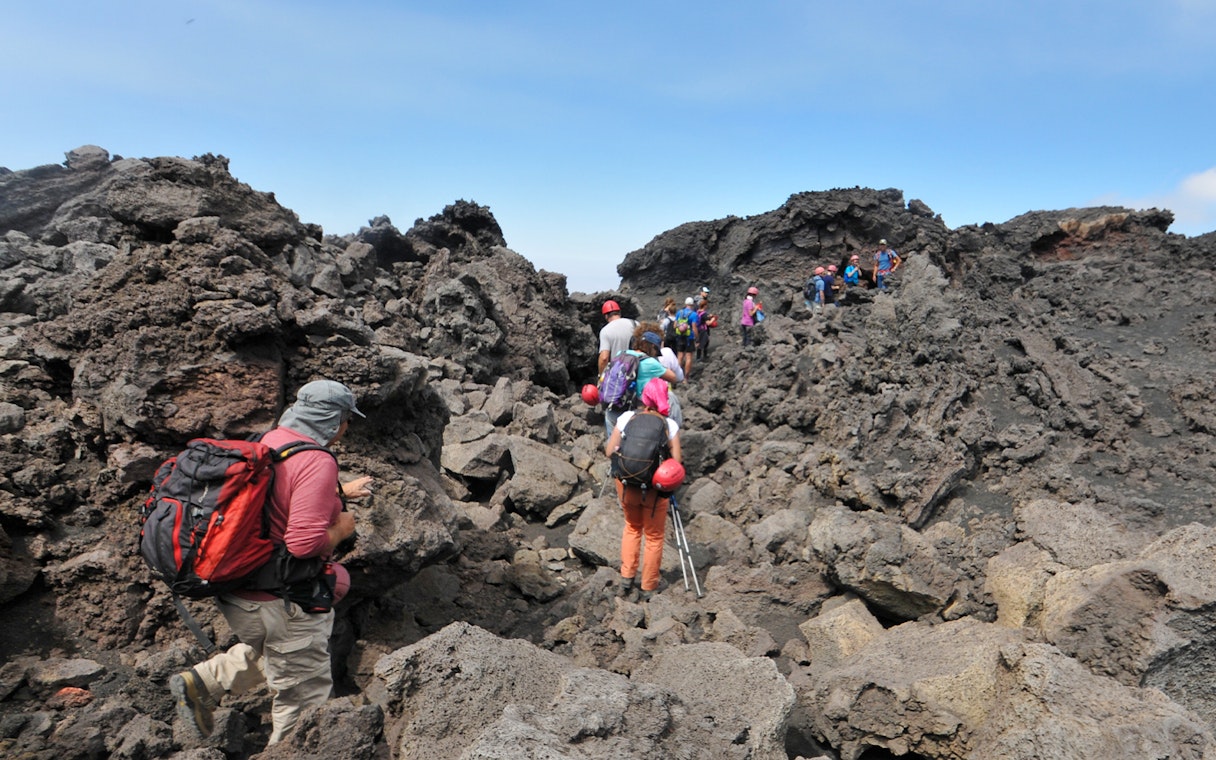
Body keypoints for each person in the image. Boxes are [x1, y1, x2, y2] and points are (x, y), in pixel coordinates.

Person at [170, 380, 374, 745]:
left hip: (241, 593)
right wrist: (342, 528)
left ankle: (202, 682)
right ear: (334, 420)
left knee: (281, 651)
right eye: (347, 420)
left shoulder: (273, 441)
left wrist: (341, 492)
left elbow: (275, 501)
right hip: (279, 602)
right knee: (303, 707)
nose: (347, 428)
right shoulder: (317, 460)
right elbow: (303, 542)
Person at [605, 378, 682, 603]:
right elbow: (676, 461)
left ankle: (627, 578)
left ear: (644, 398)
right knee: (654, 536)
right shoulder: (669, 425)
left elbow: (610, 451)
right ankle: (649, 586)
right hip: (654, 490)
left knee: (632, 528)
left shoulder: (627, 418)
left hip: (627, 485)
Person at [598, 300, 636, 374]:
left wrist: (601, 377)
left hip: (618, 376)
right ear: (619, 313)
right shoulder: (635, 324)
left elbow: (604, 358)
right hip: (637, 371)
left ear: (606, 316)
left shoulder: (605, 331)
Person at [673, 297, 698, 380]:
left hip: (680, 337)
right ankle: (686, 379)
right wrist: (697, 338)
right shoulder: (694, 314)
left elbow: (674, 325)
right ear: (692, 304)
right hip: (689, 338)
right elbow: (694, 328)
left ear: (685, 304)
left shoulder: (679, 313)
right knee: (688, 357)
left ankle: (676, 377)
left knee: (679, 356)